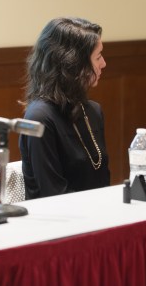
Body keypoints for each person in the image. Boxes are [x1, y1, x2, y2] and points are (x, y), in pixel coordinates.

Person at [19, 17, 110, 199]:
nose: (104, 63)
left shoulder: (93, 111)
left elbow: (103, 182)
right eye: (98, 57)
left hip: (97, 216)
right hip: (56, 222)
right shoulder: (39, 118)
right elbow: (52, 193)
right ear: (73, 64)